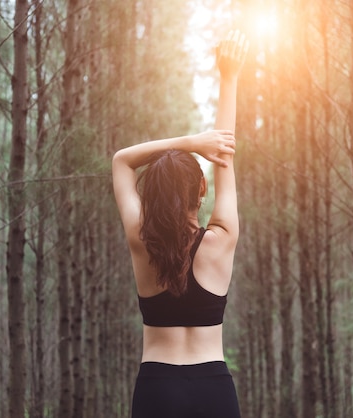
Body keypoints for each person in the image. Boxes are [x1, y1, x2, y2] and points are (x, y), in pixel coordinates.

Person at [111, 30, 249, 418]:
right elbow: (226, 156)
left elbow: (122, 160)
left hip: (157, 389)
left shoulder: (142, 239)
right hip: (214, 391)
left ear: (150, 196)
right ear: (201, 188)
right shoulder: (221, 239)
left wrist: (189, 141)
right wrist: (229, 76)